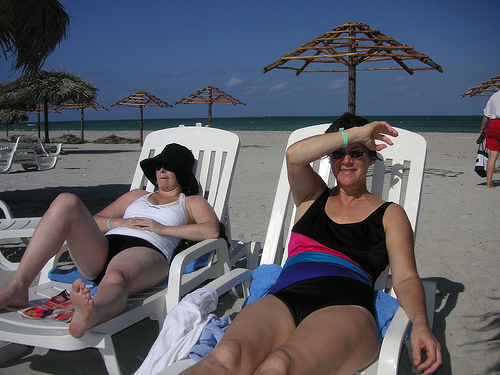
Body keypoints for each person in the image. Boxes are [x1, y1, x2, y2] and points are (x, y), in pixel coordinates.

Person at [181, 113, 442, 375]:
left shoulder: (389, 214)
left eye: (357, 153)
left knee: (280, 365)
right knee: (226, 355)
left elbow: (406, 278)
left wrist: (420, 323)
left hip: (345, 307)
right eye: (338, 153)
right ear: (329, 157)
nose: (346, 161)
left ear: (372, 157)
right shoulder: (311, 196)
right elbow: (294, 156)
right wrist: (356, 135)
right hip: (284, 298)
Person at [0, 143, 219, 338]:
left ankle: (93, 312)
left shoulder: (190, 201)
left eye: (168, 166)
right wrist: (118, 222)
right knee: (66, 201)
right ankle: (18, 286)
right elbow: (95, 221)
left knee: (116, 277)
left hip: (147, 250)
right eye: (158, 165)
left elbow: (211, 231)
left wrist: (161, 228)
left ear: (181, 172)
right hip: (104, 247)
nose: (161, 170)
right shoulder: (136, 195)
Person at [479, 90, 500, 188]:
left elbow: (486, 116)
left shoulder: (494, 96)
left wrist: (483, 128)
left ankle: (489, 183)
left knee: (493, 156)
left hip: (493, 124)